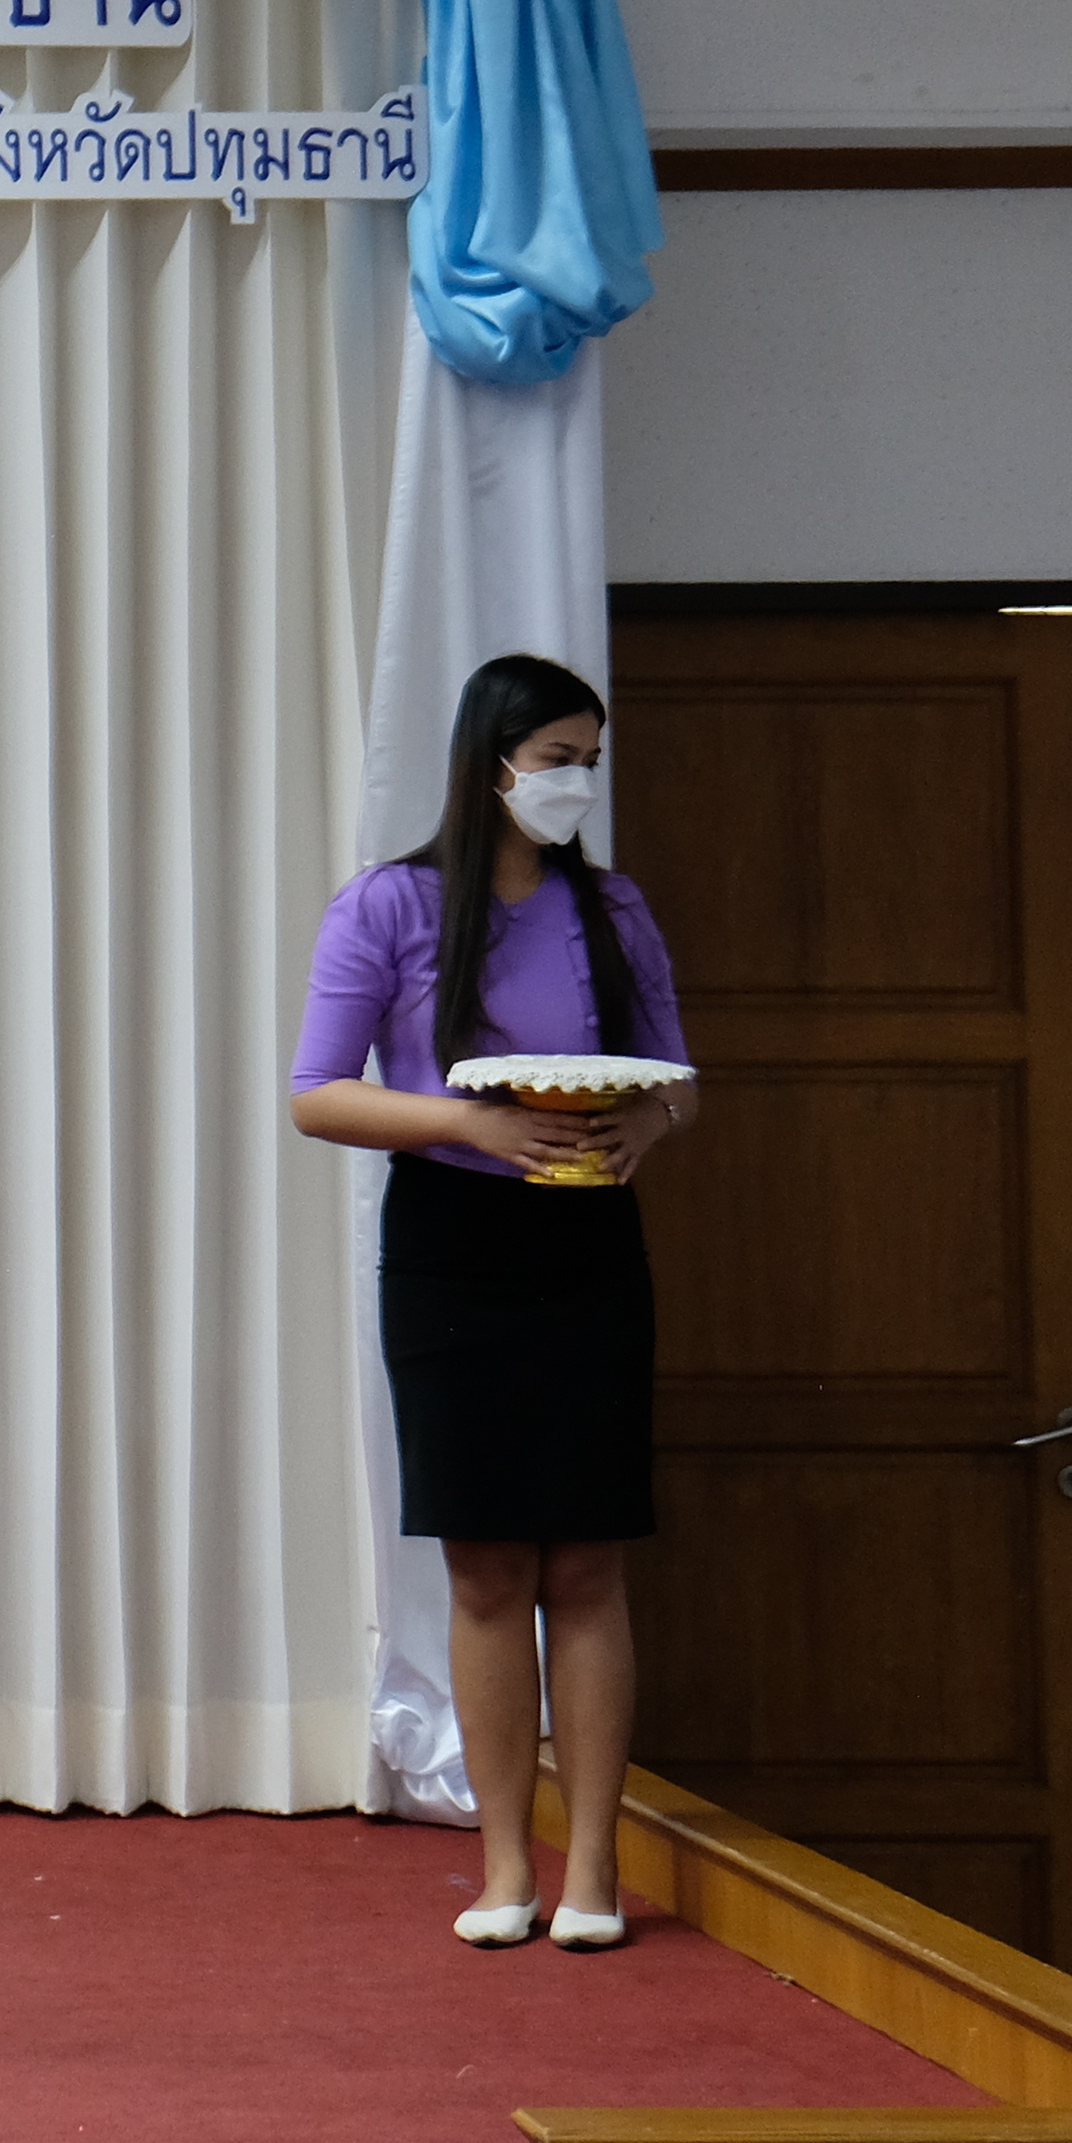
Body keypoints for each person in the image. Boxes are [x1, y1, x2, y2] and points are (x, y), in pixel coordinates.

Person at [287, 653, 702, 1953]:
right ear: (492, 764)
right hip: (452, 1242)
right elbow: (318, 1092)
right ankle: (503, 1862)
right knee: (483, 1564)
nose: (578, 780)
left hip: (587, 1241)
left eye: (592, 756)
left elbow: (682, 1077)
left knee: (585, 1555)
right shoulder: (390, 906)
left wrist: (649, 1117)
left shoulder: (614, 908)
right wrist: (474, 1122)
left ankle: (592, 1869)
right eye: (558, 757)